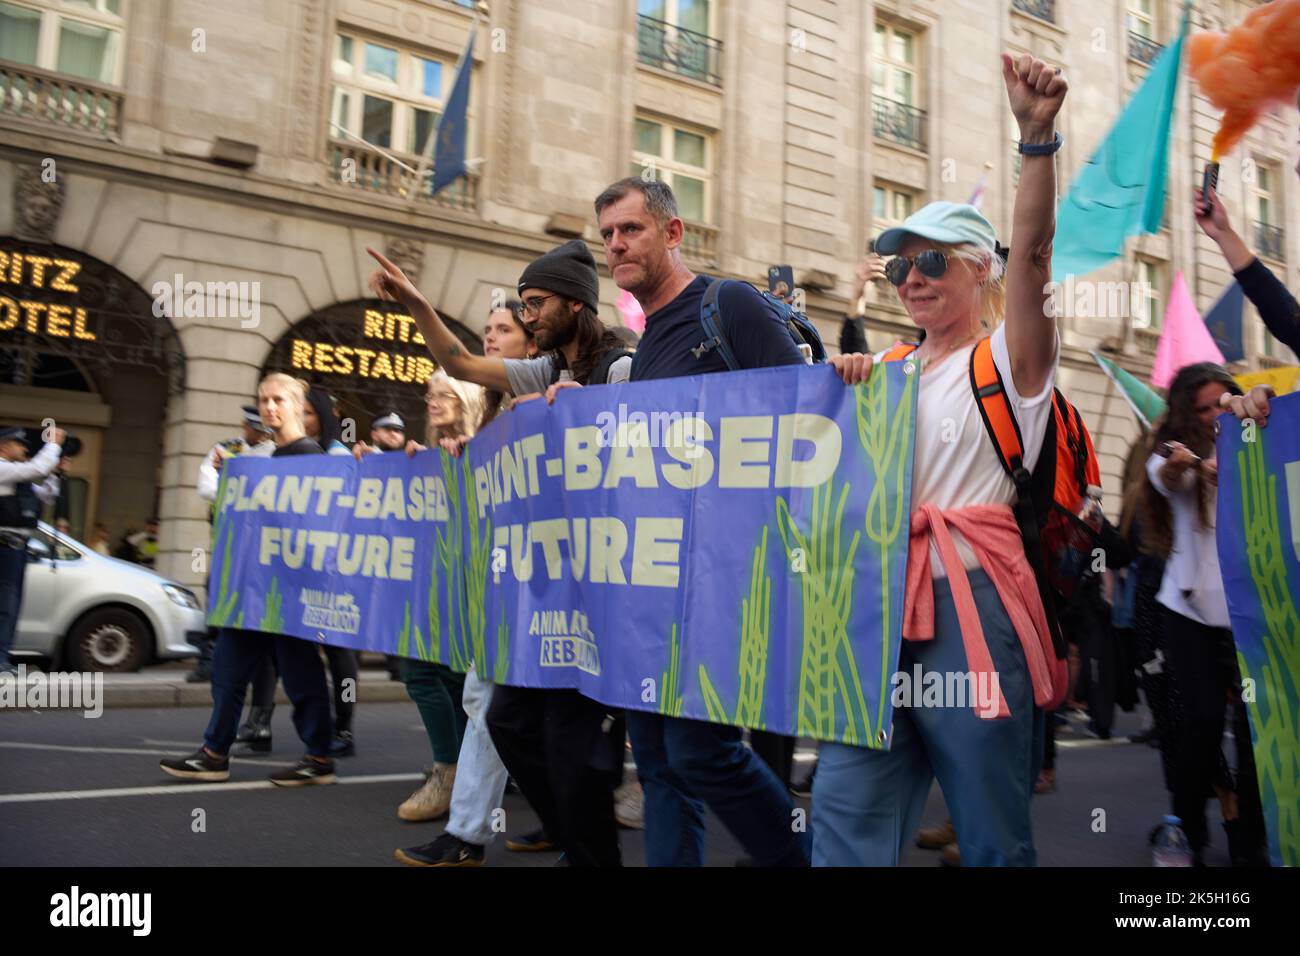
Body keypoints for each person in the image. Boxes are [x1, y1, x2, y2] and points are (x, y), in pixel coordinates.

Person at [810, 54, 1067, 867]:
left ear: (978, 269)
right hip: (876, 607)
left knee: (991, 835)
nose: (910, 280)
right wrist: (840, 392)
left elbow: (1032, 255)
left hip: (972, 604)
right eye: (898, 265)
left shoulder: (1010, 360)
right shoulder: (883, 371)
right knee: (844, 812)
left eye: (930, 262)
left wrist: (1035, 140)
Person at [589, 173, 870, 869]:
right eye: (607, 236)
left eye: (631, 229)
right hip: (653, 585)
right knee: (655, 761)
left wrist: (848, 374)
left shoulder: (728, 304)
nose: (617, 245)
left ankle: (803, 858)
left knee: (699, 751)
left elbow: (803, 417)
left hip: (723, 582)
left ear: (673, 232)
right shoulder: (648, 341)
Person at [365, 241, 635, 867]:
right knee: (511, 720)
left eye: (537, 304)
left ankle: (588, 844)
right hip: (546, 585)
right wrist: (415, 303)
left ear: (575, 303)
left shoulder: (621, 367)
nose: (528, 315)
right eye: (524, 304)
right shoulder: (542, 371)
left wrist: (586, 415)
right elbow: (456, 359)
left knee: (577, 744)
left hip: (602, 586)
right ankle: (573, 832)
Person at [395, 305, 541, 866]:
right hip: (508, 589)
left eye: (503, 330)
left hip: (558, 589)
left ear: (533, 344)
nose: (491, 338)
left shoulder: (553, 391)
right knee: (485, 700)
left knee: (554, 721)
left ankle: (572, 824)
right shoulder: (496, 416)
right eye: (487, 332)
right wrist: (452, 457)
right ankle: (466, 834)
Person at [160, 372, 337, 787]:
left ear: (297, 406)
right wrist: (234, 479)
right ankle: (215, 752)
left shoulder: (309, 455)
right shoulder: (266, 458)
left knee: (300, 673)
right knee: (229, 668)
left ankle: (319, 756)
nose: (269, 407)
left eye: (278, 400)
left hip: (289, 590)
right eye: (263, 400)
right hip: (257, 590)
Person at [1143, 362, 1268, 866]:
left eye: (1223, 401)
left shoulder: (1255, 439)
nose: (1215, 414)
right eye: (1202, 408)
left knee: (1256, 729)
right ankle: (1185, 829)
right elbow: (1165, 474)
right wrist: (1189, 465)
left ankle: (1248, 835)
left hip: (1250, 614)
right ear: (1183, 416)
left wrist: (1261, 402)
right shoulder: (1173, 455)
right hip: (1189, 612)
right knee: (1198, 720)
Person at [379, 371, 483, 822]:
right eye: (430, 395)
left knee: (461, 679)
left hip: (475, 585)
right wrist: (375, 466)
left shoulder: (488, 449)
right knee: (421, 669)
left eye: (446, 394)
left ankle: (462, 768)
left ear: (466, 400)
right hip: (432, 582)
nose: (434, 401)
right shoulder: (421, 455)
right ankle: (451, 766)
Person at [191, 405, 274, 683]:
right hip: (229, 539)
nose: (262, 435)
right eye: (257, 429)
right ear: (246, 426)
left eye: (265, 431)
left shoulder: (275, 454)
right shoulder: (225, 449)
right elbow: (206, 487)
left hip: (262, 541)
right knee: (216, 591)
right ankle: (209, 661)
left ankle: (253, 664)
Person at [0, 425, 64, 674]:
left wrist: (56, 475)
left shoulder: (18, 479)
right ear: (4, 446)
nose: (24, 448)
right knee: (5, 605)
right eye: (19, 444)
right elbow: (36, 467)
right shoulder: (3, 468)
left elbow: (47, 496)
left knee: (11, 606)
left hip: (16, 550)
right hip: (4, 547)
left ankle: (3, 657)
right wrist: (54, 444)